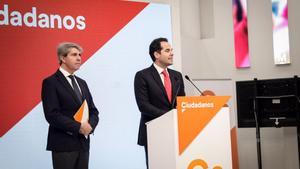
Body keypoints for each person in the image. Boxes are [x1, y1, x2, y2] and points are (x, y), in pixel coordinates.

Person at [41, 42, 99, 169]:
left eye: (80, 55)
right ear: (62, 58)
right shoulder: (50, 82)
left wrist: (90, 126)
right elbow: (52, 115)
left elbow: (93, 111)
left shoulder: (82, 83)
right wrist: (79, 127)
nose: (79, 58)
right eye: (74, 55)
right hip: (63, 144)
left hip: (83, 144)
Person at [134, 37, 185, 168]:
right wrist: (169, 116)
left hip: (175, 132)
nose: (172, 53)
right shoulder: (142, 75)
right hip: (153, 132)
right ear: (156, 54)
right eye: (167, 50)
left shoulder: (177, 76)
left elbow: (181, 102)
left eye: (172, 50)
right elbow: (143, 106)